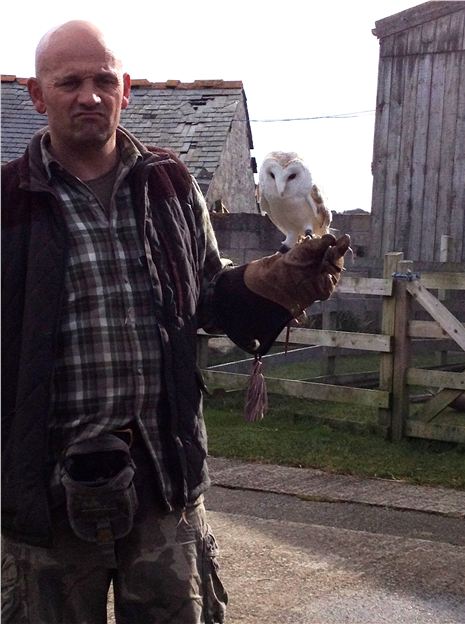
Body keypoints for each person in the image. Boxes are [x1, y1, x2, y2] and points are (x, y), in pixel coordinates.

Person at [1, 20, 350, 624]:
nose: (90, 95)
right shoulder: (8, 200)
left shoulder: (170, 184)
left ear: (126, 89)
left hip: (165, 481)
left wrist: (269, 280)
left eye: (104, 80)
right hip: (45, 495)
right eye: (70, 82)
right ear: (37, 95)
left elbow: (207, 297)